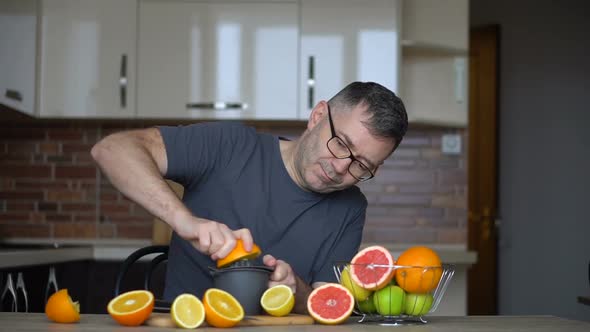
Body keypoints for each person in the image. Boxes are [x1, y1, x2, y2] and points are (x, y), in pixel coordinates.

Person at [91, 81, 408, 313]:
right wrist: (183, 220)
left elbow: (326, 304)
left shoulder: (350, 208)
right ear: (318, 116)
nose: (341, 168)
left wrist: (296, 292)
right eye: (340, 144)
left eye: (361, 165)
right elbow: (112, 150)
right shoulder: (230, 146)